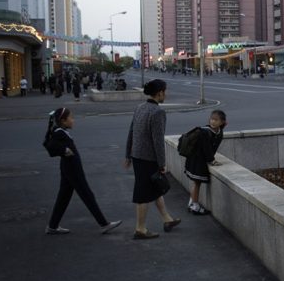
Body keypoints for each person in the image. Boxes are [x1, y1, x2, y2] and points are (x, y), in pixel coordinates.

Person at [43, 107, 122, 235]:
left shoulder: (61, 131)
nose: (73, 120)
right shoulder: (59, 132)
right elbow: (50, 145)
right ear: (63, 121)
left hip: (68, 168)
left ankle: (52, 226)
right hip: (72, 169)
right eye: (71, 118)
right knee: (87, 195)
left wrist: (64, 150)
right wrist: (64, 150)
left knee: (63, 197)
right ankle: (103, 224)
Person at [124, 79, 180, 239]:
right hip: (149, 159)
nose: (166, 94)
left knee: (154, 189)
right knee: (143, 193)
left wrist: (128, 154)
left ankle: (167, 219)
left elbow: (131, 132)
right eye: (165, 91)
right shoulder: (158, 112)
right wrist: (162, 164)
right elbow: (158, 141)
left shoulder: (140, 107)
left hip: (137, 156)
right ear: (160, 92)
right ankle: (140, 229)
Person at [184, 110, 227, 215]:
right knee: (197, 182)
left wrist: (211, 158)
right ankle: (194, 205)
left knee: (196, 182)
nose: (213, 121)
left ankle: (191, 203)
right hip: (196, 159)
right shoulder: (205, 132)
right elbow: (207, 148)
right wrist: (212, 160)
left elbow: (213, 148)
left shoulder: (219, 132)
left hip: (199, 159)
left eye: (216, 120)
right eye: (212, 119)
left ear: (222, 122)